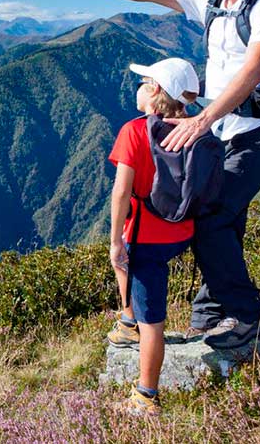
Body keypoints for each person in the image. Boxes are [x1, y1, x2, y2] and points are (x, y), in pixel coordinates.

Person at [52, 0, 260, 350]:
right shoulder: (213, 0)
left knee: (212, 216)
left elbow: (256, 67)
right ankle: (209, 313)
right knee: (220, 214)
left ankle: (251, 318)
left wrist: (202, 119)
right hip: (221, 131)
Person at [107, 58, 199, 416]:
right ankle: (129, 321)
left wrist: (115, 241)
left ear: (156, 90)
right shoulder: (193, 127)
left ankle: (146, 397)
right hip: (184, 230)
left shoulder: (133, 131)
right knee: (126, 260)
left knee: (153, 323)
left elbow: (120, 193)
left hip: (146, 238)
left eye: (145, 81)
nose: (140, 86)